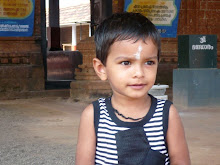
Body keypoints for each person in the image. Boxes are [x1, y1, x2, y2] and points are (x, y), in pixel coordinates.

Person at [75, 12, 190, 165]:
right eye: (126, 62)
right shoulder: (94, 116)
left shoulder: (167, 114)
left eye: (149, 62)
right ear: (101, 69)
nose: (139, 73)